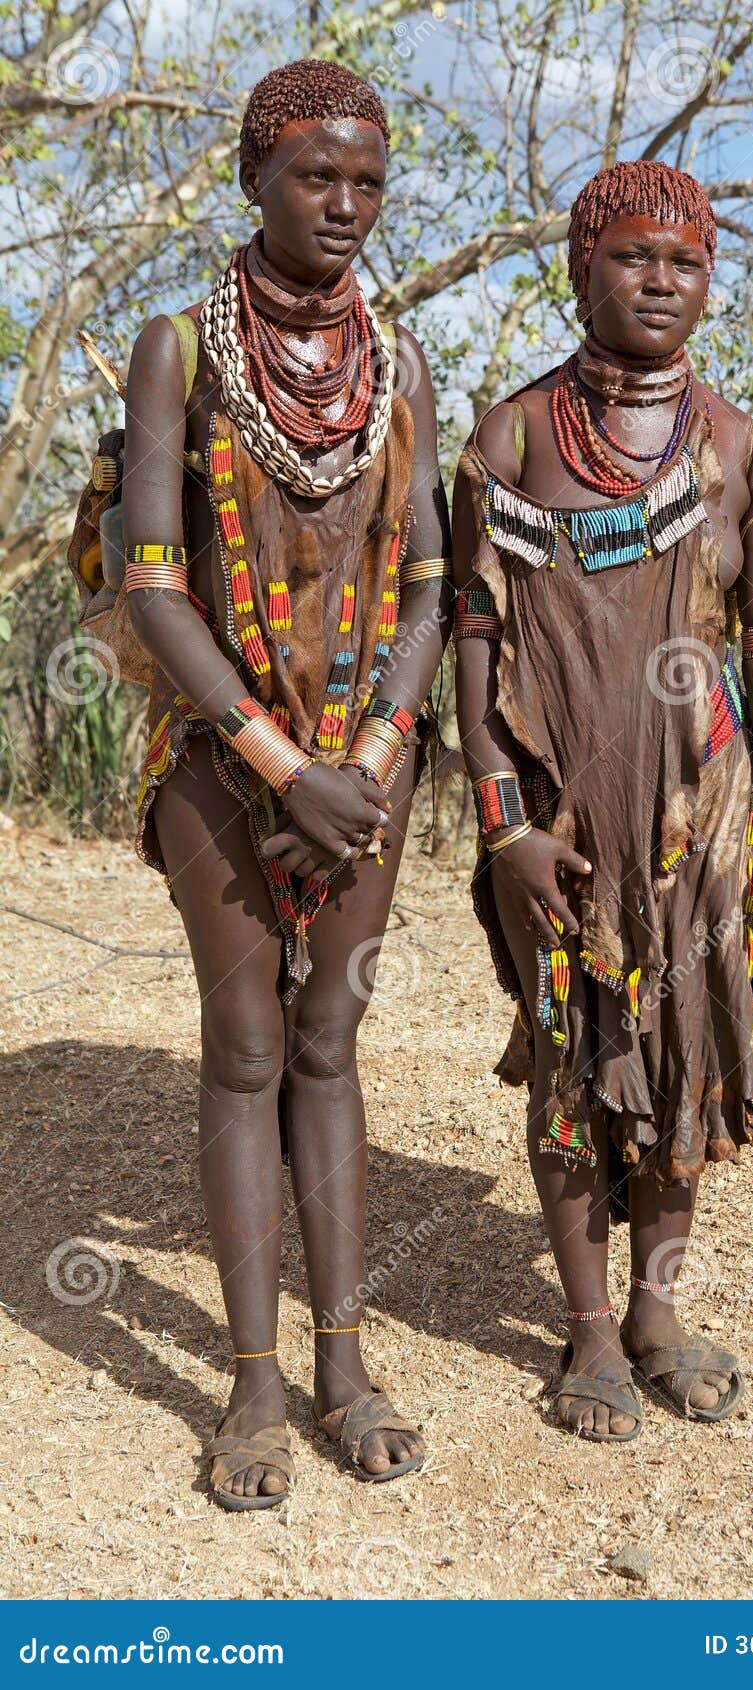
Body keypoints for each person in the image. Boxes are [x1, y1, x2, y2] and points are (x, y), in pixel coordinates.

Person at [122, 59, 452, 1506]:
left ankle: (343, 1359)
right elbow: (147, 582)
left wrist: (367, 757)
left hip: (365, 762)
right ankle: (249, 1389)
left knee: (331, 1041)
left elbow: (433, 588)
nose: (345, 204)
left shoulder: (404, 366)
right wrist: (277, 763)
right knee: (246, 1048)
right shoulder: (178, 353)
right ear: (252, 180)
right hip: (220, 759)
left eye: (367, 180)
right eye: (316, 175)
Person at [451, 160, 753, 1443]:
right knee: (573, 1054)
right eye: (632, 257)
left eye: (686, 262)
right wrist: (504, 827)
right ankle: (590, 1331)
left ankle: (658, 1311)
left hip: (699, 817)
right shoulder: (507, 439)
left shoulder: (742, 450)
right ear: (578, 267)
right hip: (558, 820)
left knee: (684, 1059)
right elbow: (474, 646)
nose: (661, 281)